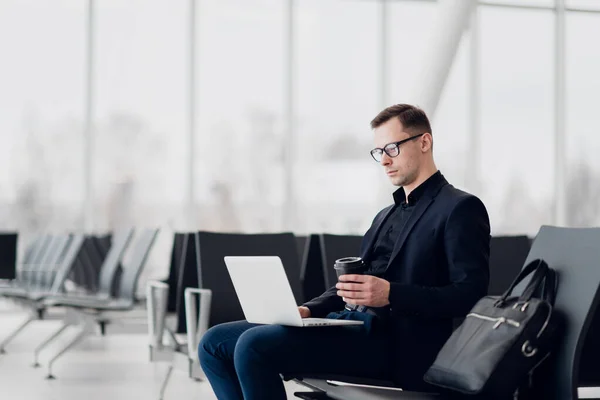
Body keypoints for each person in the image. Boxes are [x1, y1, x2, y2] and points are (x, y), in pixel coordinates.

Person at [198, 104, 491, 400]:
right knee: (213, 342)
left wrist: (392, 294)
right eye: (379, 152)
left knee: (253, 344)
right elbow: (353, 285)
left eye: (392, 148)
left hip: (395, 342)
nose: (385, 161)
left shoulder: (459, 208)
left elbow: (470, 294)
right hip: (350, 324)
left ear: (424, 142)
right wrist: (308, 310)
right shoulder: (385, 215)